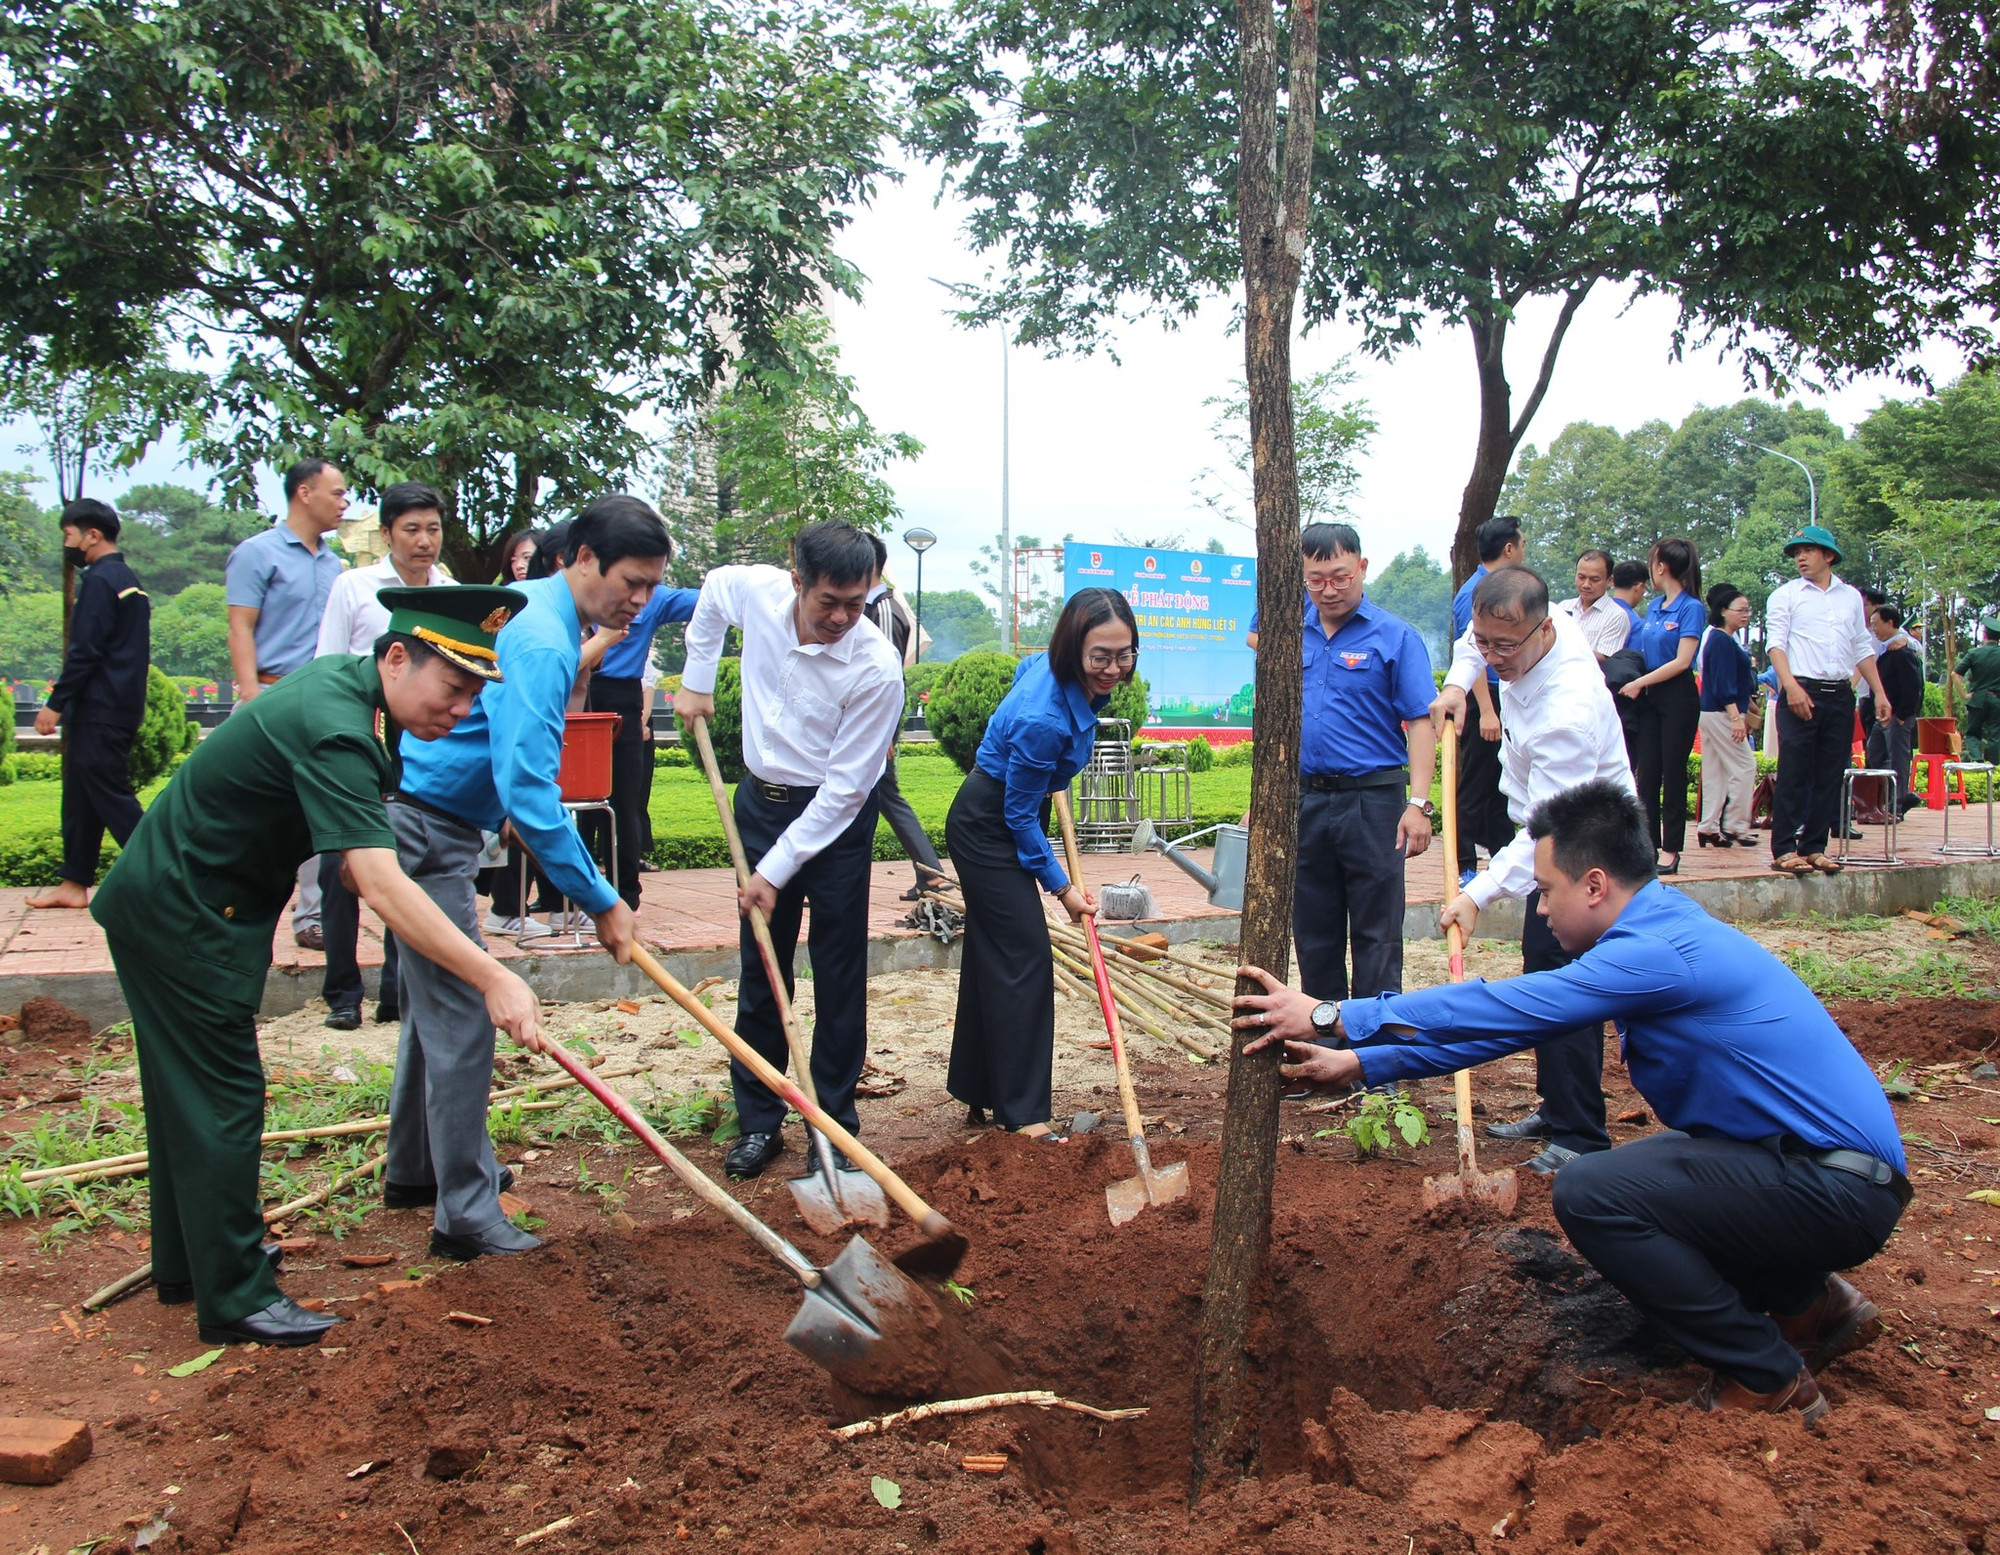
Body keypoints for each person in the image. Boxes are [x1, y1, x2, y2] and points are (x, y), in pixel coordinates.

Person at [1234, 779, 1909, 1424]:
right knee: (1662, 1168)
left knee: (1594, 1191)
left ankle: (1766, 1375)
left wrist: (1332, 1014)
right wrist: (1360, 1063)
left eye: (1547, 890)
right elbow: (1498, 1029)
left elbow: (1503, 1006)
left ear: (1594, 885)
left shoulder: (1653, 953)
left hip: (1834, 1186)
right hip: (1821, 1172)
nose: (1541, 907)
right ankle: (1809, 1306)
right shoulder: (1661, 929)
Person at [91, 585, 544, 1346]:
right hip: (183, 914)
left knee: (185, 1098)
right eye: (455, 686)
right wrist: (493, 974)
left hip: (182, 900)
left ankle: (190, 1265)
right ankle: (234, 1296)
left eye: (475, 693)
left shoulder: (356, 694)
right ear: (397, 657)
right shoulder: (341, 723)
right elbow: (379, 879)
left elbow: (346, 834)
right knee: (222, 1098)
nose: (464, 708)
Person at [389, 496, 660, 1256]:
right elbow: (531, 797)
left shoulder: (537, 613)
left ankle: (415, 1168)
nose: (636, 600)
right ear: (582, 559)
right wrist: (603, 898)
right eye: (630, 582)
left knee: (431, 1007)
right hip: (427, 827)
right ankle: (467, 1216)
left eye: (650, 587)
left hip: (426, 818)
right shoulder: (541, 639)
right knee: (463, 1015)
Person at [673, 521, 905, 1180]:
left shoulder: (875, 668)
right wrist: (696, 680)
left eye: (856, 604)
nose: (840, 617)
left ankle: (832, 1126)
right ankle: (758, 1119)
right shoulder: (756, 592)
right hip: (759, 803)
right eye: (828, 600)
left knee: (838, 975)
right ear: (796, 578)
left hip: (832, 826)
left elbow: (845, 790)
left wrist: (775, 870)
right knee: (761, 966)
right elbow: (712, 594)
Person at [1433, 566, 1634, 1172]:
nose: (1493, 656)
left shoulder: (1567, 706)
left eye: (1506, 647)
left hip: (1587, 848)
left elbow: (1550, 826)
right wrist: (1456, 687)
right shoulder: (1509, 634)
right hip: (1551, 838)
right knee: (1543, 969)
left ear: (1544, 630)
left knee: (1567, 987)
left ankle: (1580, 1137)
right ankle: (1557, 1108)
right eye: (1485, 641)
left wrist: (1479, 891)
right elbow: (1473, 647)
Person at [946, 588, 1133, 1136]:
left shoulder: (1052, 674)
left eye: (1124, 655)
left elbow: (1026, 668)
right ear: (1072, 647)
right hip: (988, 827)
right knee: (1025, 959)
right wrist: (1062, 889)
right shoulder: (1045, 721)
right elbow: (1019, 820)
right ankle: (1023, 1115)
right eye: (1100, 656)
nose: (1113, 669)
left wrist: (1042, 771)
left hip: (1004, 811)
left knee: (994, 953)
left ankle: (980, 1088)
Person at [310, 482, 455, 1031]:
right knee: (340, 865)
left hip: (421, 744)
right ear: (388, 532)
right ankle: (343, 993)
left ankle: (396, 991)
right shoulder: (355, 587)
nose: (424, 541)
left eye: (433, 529)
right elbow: (327, 666)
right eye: (412, 529)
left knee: (405, 862)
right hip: (357, 736)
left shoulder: (453, 593)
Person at [1288, 523, 1438, 1006]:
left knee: (1377, 931)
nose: (1328, 590)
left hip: (1373, 801)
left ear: (1362, 568)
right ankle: (1324, 1047)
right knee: (1314, 930)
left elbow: (1419, 724)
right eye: (1316, 580)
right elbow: (1275, 724)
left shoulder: (1395, 637)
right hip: (1306, 799)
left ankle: (1373, 1058)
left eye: (1340, 577)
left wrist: (1418, 803)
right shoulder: (1290, 637)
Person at [226, 458, 350, 950]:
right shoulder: (257, 554)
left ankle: (312, 916)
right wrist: (253, 694)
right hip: (268, 695)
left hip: (316, 700)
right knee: (248, 811)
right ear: (304, 492)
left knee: (318, 811)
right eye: (336, 493)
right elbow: (240, 626)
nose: (344, 503)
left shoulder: (333, 563)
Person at [26, 499, 151, 911]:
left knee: (112, 796)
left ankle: (168, 874)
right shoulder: (126, 579)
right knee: (81, 794)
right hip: (115, 705)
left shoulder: (101, 581)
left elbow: (86, 650)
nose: (67, 543)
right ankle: (73, 882)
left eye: (68, 534)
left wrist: (55, 703)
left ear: (91, 535)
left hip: (100, 707)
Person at [1765, 525, 1886, 877]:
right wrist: (1790, 686)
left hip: (1838, 693)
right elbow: (1776, 644)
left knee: (1830, 773)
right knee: (1794, 770)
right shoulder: (1785, 595)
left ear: (1828, 555)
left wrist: (1879, 691)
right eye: (1796, 552)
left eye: (1808, 550)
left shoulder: (1849, 597)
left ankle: (1815, 846)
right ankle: (1784, 847)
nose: (1800, 557)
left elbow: (1861, 646)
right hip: (1800, 688)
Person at [582, 561, 698, 910]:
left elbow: (704, 600)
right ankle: (577, 891)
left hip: (624, 696)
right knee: (581, 798)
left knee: (626, 800)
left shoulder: (654, 597)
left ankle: (626, 893)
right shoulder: (583, 588)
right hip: (579, 691)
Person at [863, 536, 953, 902]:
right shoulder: (875, 606)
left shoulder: (883, 609)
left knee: (885, 796)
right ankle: (929, 873)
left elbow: (885, 679)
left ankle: (931, 874)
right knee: (879, 798)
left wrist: (883, 734)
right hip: (868, 727)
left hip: (872, 728)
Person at [1619, 538, 1705, 874]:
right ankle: (1648, 845)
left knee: (1673, 770)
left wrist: (1640, 682)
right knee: (1648, 772)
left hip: (1677, 696)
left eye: (1652, 562)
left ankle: (1672, 847)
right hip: (1650, 696)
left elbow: (1684, 661)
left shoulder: (1690, 608)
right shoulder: (1655, 607)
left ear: (1661, 567)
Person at [1450, 515, 1527, 886]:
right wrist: (1487, 710)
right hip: (1484, 698)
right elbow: (1472, 651)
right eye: (1522, 544)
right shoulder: (1476, 592)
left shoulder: (1497, 587)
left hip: (1501, 695)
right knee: (1476, 784)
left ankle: (1503, 857)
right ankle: (1464, 864)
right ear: (1509, 548)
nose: (1524, 552)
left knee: (1500, 781)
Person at [1696, 584, 1757, 847]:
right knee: (1745, 766)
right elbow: (1722, 683)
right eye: (1740, 610)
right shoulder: (1720, 639)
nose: (1746, 615)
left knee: (1715, 771)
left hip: (1713, 711)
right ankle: (1735, 825)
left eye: (1748, 610)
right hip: (1721, 712)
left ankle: (1708, 825)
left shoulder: (1723, 639)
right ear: (1723, 611)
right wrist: (1735, 717)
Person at [1865, 604, 1923, 814]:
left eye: (1876, 624)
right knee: (1874, 752)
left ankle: (1897, 804)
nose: (1874, 629)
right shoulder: (1886, 649)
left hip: (1897, 715)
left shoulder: (1901, 651)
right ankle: (1879, 800)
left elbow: (1913, 686)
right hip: (1882, 716)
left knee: (1898, 758)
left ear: (1890, 623)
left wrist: (1903, 714)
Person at [1555, 549, 1631, 661]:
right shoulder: (1563, 607)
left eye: (1594, 580)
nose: (1586, 585)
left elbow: (1604, 658)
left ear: (1609, 580)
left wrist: (1560, 648)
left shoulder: (1616, 616)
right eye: (1581, 577)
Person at [1963, 616, 2000, 764]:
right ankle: (1994, 766)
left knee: (1972, 733)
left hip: (1977, 699)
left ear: (1984, 635)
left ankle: (1977, 761)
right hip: (1997, 700)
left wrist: (1964, 695)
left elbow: (1955, 674)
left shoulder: (1974, 653)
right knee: (1995, 734)